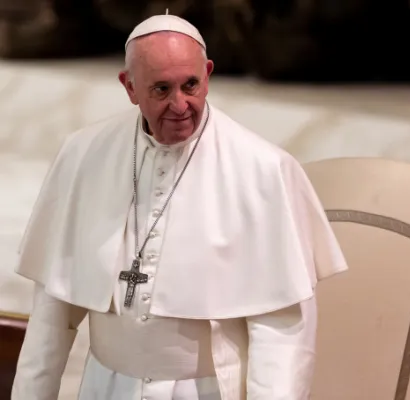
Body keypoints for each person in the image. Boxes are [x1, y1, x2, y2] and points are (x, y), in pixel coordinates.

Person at [11, 13, 348, 400]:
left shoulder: (264, 169)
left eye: (191, 85)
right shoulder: (83, 154)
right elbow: (52, 311)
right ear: (129, 86)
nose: (180, 104)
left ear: (208, 74)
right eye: (161, 89)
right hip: (105, 388)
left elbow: (282, 333)